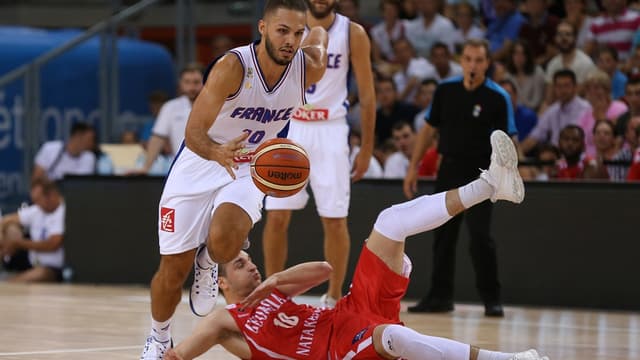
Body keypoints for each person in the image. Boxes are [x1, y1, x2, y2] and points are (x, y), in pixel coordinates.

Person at [164, 130, 548, 360]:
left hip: (351, 310)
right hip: (334, 351)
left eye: (247, 259)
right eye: (240, 265)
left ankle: (489, 185)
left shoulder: (270, 294)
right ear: (222, 283)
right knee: (393, 338)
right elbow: (181, 353)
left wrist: (273, 282)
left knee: (389, 222)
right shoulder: (225, 320)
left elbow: (326, 271)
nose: (250, 266)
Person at [140, 0, 329, 358]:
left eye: (297, 33)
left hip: (250, 167)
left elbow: (320, 36)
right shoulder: (233, 67)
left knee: (226, 244)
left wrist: (316, 29)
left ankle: (210, 261)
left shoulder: (309, 69)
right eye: (282, 31)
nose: (290, 40)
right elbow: (193, 131)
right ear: (262, 28)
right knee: (172, 268)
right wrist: (216, 152)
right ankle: (158, 337)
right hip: (200, 160)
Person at [262, 0, 375, 308]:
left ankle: (334, 297)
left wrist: (366, 148)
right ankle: (273, 295)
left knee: (335, 219)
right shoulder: (290, 28)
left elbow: (366, 94)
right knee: (276, 216)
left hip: (331, 129)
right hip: (290, 124)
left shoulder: (353, 33)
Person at [403, 38, 520, 317]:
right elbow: (429, 129)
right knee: (443, 234)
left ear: (487, 63)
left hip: (483, 173)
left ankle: (491, 298)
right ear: (462, 61)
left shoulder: (497, 97)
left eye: (479, 60)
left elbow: (507, 140)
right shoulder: (445, 91)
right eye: (468, 59)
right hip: (450, 169)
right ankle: (439, 297)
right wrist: (413, 167)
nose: (473, 65)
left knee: (480, 237)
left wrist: (504, 176)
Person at [136, 63, 204, 174]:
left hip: (210, 169)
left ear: (205, 82)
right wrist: (146, 168)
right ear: (180, 84)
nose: (191, 87)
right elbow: (158, 138)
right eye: (187, 82)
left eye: (196, 82)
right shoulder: (170, 107)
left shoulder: (218, 106)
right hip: (180, 168)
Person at [0, 180, 65, 282]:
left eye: (39, 200)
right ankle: (5, 263)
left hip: (53, 268)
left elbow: (53, 244)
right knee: (11, 227)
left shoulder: (62, 212)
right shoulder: (38, 210)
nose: (37, 204)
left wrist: (19, 243)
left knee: (40, 273)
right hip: (31, 261)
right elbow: (7, 220)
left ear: (51, 196)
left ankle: (10, 283)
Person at [31, 122, 96, 182]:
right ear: (78, 135)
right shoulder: (49, 149)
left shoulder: (90, 158)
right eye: (90, 139)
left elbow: (82, 185)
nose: (92, 143)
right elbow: (37, 177)